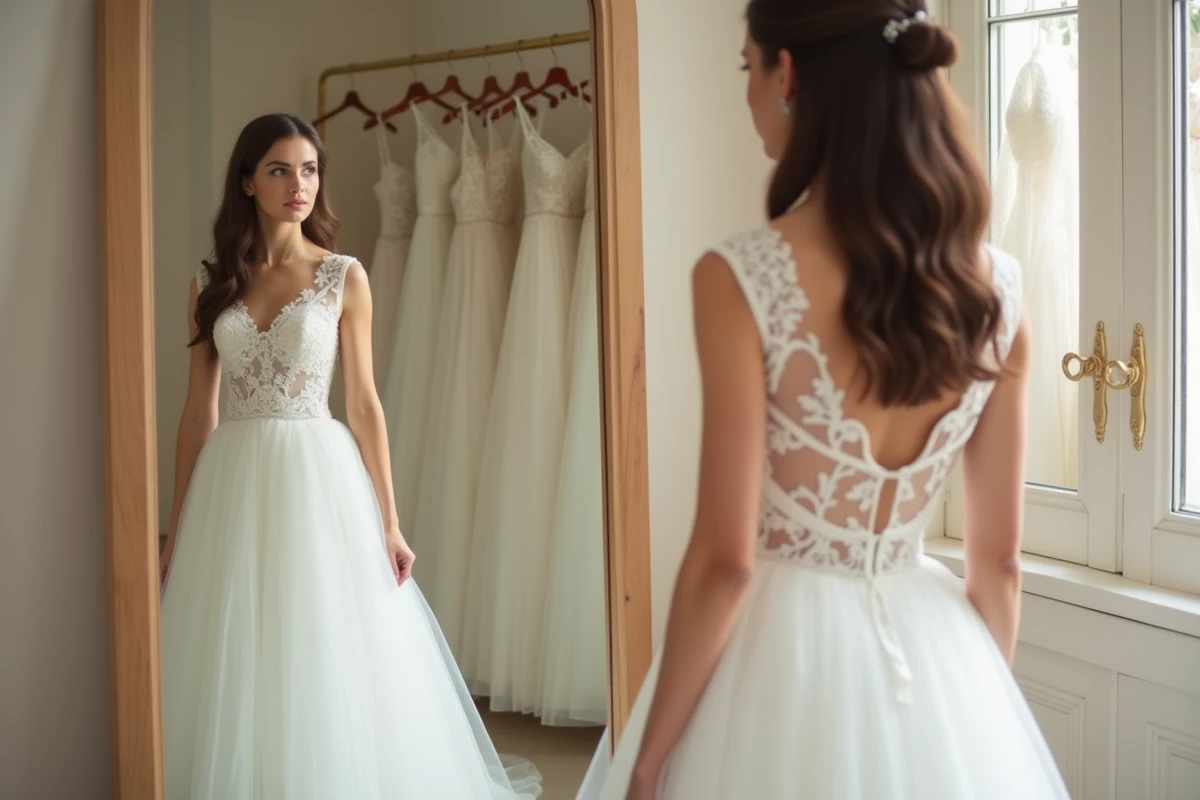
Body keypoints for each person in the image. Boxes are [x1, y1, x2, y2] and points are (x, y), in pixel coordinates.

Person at [583, 3, 1070, 799]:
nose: (746, 97)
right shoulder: (999, 289)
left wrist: (647, 761)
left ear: (791, 75)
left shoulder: (743, 275)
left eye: (748, 69)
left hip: (777, 661)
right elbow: (1000, 562)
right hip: (935, 649)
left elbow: (727, 562)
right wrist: (975, 716)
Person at [157, 113, 542, 800]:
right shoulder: (209, 282)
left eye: (308, 170)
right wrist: (176, 525)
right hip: (233, 480)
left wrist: (390, 521)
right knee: (236, 640)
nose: (297, 184)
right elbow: (197, 414)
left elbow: (364, 404)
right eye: (279, 169)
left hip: (317, 474)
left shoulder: (343, 276)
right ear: (247, 181)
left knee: (321, 631)